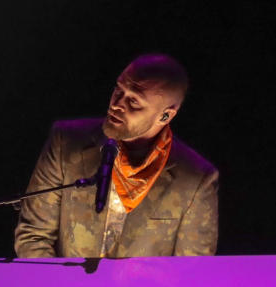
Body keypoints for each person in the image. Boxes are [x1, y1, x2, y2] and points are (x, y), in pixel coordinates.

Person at [15, 53, 218, 260]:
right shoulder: (65, 143)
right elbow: (33, 237)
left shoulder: (196, 180)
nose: (117, 104)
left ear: (165, 115)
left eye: (134, 101)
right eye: (118, 89)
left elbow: (191, 271)